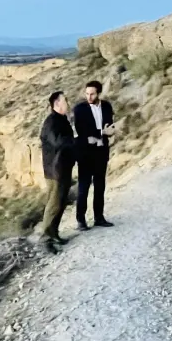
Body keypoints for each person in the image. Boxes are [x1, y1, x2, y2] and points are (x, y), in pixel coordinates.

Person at [73, 80, 115, 230]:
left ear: (99, 93)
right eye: (87, 94)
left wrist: (107, 131)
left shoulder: (107, 106)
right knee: (83, 187)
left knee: (100, 186)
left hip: (101, 151)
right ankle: (81, 220)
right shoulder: (79, 109)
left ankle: (99, 217)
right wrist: (102, 132)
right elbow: (82, 131)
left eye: (92, 94)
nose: (89, 97)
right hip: (85, 152)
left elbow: (109, 126)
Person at [39, 90, 75, 254]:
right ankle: (45, 239)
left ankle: (54, 234)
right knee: (53, 205)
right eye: (65, 100)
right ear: (56, 104)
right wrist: (76, 139)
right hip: (55, 171)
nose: (68, 102)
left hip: (63, 168)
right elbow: (57, 142)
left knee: (60, 203)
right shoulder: (52, 122)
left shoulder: (61, 120)